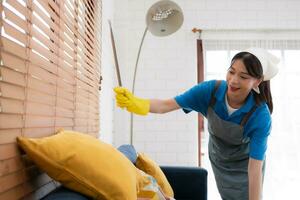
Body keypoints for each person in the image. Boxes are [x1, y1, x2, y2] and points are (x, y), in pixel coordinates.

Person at [114, 48, 279, 200]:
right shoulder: (210, 91)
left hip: (246, 163)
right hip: (219, 157)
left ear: (257, 82)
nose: (233, 81)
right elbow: (166, 105)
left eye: (243, 77)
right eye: (231, 72)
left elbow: (255, 168)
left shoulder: (260, 115)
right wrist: (136, 103)